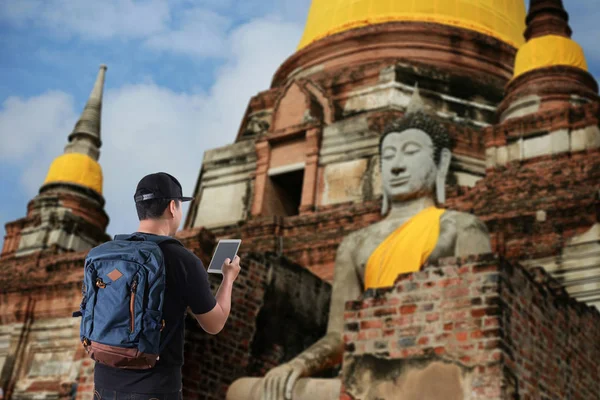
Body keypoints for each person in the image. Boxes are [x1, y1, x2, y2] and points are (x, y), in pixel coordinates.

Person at [226, 86, 491, 400]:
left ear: (440, 162)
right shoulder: (356, 243)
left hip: (431, 374)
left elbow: (477, 321)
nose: (396, 166)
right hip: (362, 377)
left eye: (410, 152)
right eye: (388, 155)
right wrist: (295, 365)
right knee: (242, 392)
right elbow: (339, 335)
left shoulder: (460, 228)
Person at [93, 172, 241, 400]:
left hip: (103, 384)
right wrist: (228, 278)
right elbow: (214, 323)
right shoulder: (182, 259)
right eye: (180, 205)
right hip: (154, 389)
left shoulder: (107, 254)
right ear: (173, 207)